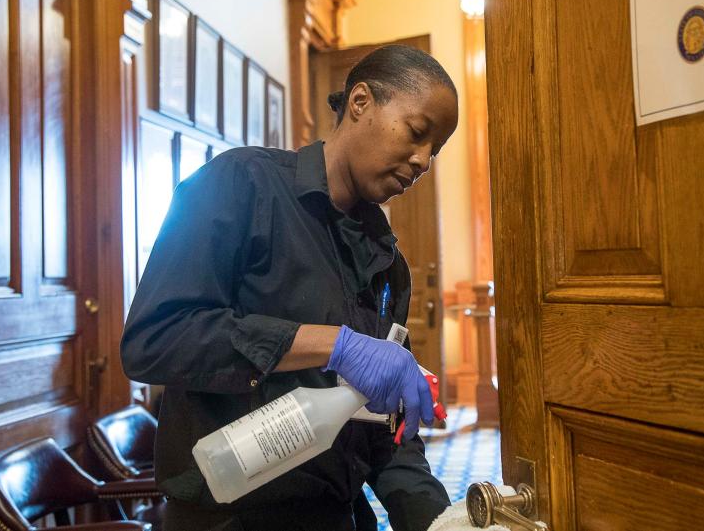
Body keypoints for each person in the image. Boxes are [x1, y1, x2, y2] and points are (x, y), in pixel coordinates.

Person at [121, 44, 459, 531]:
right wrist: (333, 345)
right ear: (360, 101)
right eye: (416, 132)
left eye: (436, 150)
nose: (424, 160)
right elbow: (155, 342)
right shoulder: (241, 185)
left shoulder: (387, 266)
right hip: (227, 520)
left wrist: (437, 519)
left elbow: (382, 431)